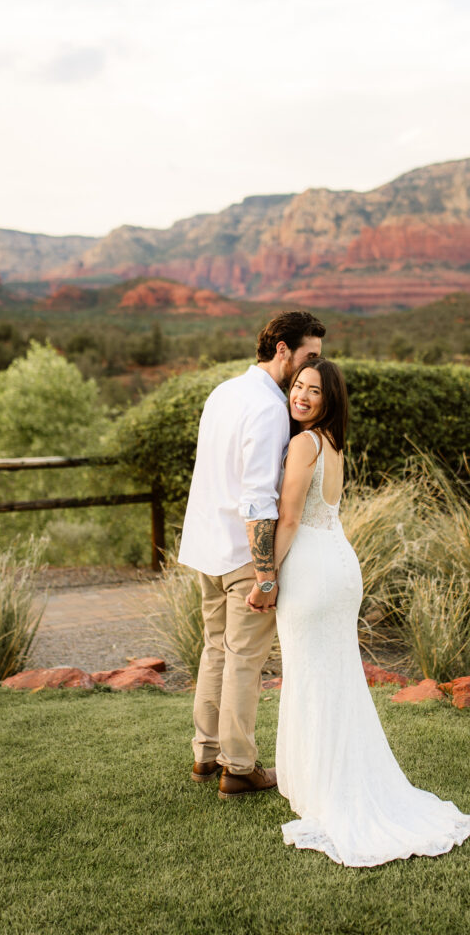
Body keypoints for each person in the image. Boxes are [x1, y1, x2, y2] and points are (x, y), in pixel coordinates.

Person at [273, 358, 470, 866]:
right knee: (335, 675)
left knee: (313, 675)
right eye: (297, 385)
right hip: (340, 563)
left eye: (312, 390)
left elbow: (291, 516)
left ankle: (326, 792)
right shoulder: (333, 444)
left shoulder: (304, 444)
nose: (300, 395)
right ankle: (330, 780)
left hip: (312, 569)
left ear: (329, 399)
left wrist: (264, 577)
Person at [178, 310, 325, 800]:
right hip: (243, 554)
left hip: (206, 547)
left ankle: (205, 755)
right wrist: (266, 575)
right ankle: (238, 767)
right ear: (282, 349)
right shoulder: (266, 409)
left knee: (214, 650)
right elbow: (259, 499)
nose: (314, 368)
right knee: (243, 661)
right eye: (310, 356)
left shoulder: (223, 391)